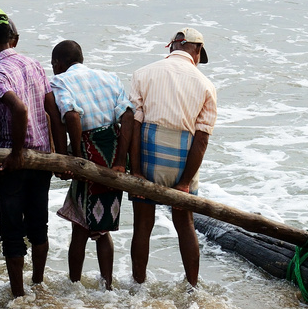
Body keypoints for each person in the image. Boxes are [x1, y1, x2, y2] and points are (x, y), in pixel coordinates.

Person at [124, 29, 216, 287]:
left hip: (148, 155)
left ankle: (138, 284)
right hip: (182, 160)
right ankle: (192, 286)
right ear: (196, 51)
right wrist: (185, 182)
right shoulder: (205, 85)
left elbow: (135, 125)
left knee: (143, 223)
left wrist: (138, 172)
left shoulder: (143, 74)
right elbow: (201, 139)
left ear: (172, 47)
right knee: (184, 222)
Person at [0, 11, 53, 297]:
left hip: (16, 159)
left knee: (12, 230)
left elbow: (19, 109)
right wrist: (57, 149)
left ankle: (19, 295)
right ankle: (38, 282)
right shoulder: (32, 63)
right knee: (38, 225)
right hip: (43, 157)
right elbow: (52, 110)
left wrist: (17, 153)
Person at [47, 40, 132, 289]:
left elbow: (72, 115)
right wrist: (119, 161)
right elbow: (127, 115)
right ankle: (107, 286)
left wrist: (76, 158)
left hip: (89, 152)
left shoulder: (61, 81)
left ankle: (74, 284)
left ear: (57, 64)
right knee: (102, 227)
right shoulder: (109, 77)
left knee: (80, 228)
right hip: (113, 154)